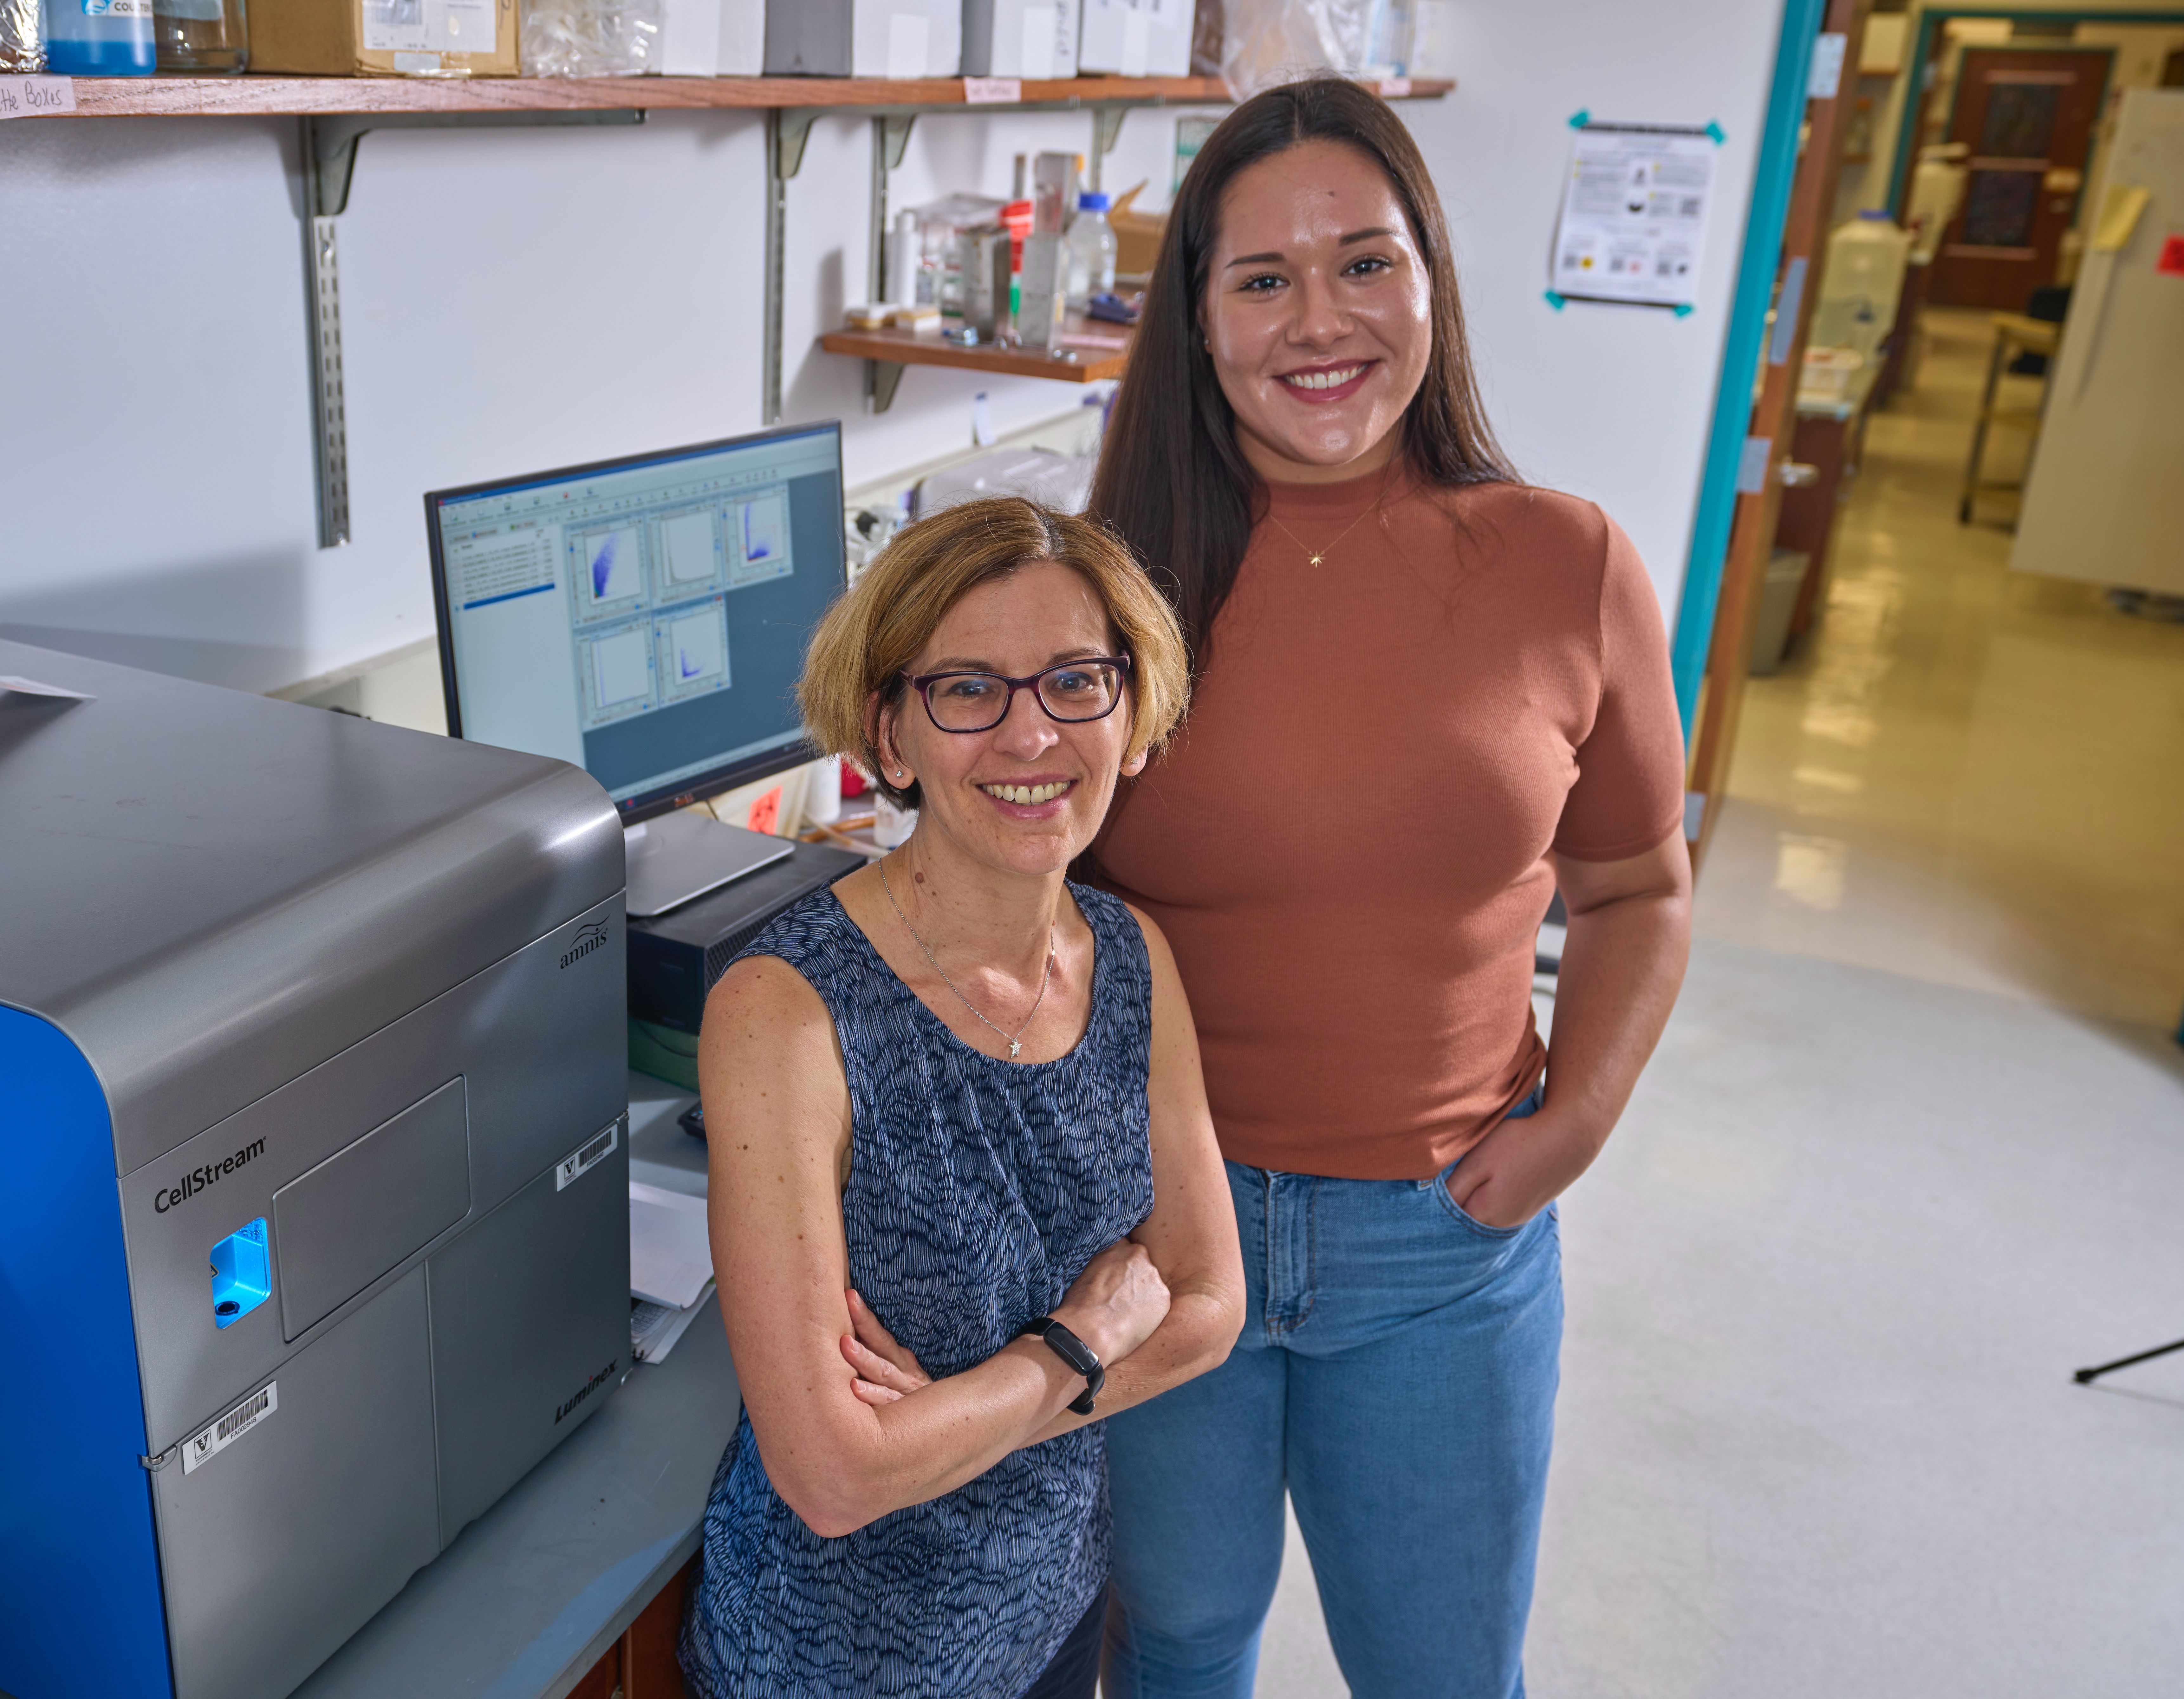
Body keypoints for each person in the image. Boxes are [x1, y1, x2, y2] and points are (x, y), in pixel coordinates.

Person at [1084, 79, 1694, 1699]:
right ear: (1198, 319)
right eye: (1263, 279)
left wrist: (1579, 1117)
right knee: (1181, 1641)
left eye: (1365, 262)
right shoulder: (1099, 586)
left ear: (1432, 276)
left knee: (1436, 1669)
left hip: (1440, 1242)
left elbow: (1639, 882)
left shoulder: (1570, 564)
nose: (1319, 322)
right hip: (1157, 1227)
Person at [677, 496, 1246, 1699]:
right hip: (835, 1664)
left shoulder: (1131, 957)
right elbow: (831, 1481)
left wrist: (937, 1430)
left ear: (1131, 716)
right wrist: (1076, 1346)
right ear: (890, 740)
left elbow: (1208, 1301)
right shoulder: (784, 1009)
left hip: (1049, 1611)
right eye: (968, 689)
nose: (1031, 736)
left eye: (1075, 681)